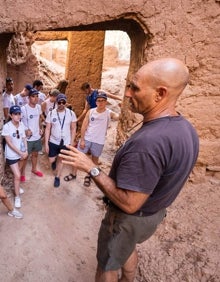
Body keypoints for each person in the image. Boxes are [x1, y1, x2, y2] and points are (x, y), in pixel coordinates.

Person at [59, 58, 199, 282]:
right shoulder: (185, 128)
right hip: (153, 214)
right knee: (127, 247)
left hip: (129, 219)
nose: (127, 94)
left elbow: (129, 203)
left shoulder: (148, 144)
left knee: (106, 265)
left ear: (160, 94)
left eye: (134, 87)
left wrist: (91, 168)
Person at [78, 92, 119, 187]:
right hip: (88, 138)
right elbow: (84, 126)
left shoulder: (109, 113)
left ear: (106, 102)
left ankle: (89, 177)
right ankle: (74, 174)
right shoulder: (91, 111)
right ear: (96, 102)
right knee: (79, 156)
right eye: (98, 100)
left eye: (102, 101)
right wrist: (83, 139)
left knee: (95, 160)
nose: (100, 102)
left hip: (99, 141)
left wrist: (121, 109)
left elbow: (117, 117)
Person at [44, 93, 77, 188]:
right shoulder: (51, 113)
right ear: (57, 102)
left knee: (61, 159)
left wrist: (71, 142)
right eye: (59, 102)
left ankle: (57, 177)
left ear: (66, 102)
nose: (61, 104)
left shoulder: (71, 113)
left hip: (65, 141)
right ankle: (54, 161)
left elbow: (73, 128)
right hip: (53, 141)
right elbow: (47, 129)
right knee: (51, 160)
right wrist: (46, 144)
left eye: (64, 102)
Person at [1, 105, 28, 209]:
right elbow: (9, 143)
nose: (18, 116)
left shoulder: (21, 125)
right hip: (12, 155)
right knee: (17, 175)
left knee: (18, 173)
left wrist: (25, 150)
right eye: (15, 114)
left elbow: (24, 138)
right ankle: (17, 197)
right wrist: (20, 153)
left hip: (21, 153)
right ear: (11, 115)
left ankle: (17, 186)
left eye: (19, 114)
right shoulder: (7, 127)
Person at [20, 88, 44, 181]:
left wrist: (41, 128)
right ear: (29, 98)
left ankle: (34, 169)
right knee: (25, 157)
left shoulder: (38, 107)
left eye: (37, 96)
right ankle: (22, 173)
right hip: (28, 138)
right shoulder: (23, 109)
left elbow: (39, 119)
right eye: (33, 96)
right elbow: (19, 122)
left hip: (37, 136)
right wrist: (25, 130)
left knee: (35, 154)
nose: (36, 98)